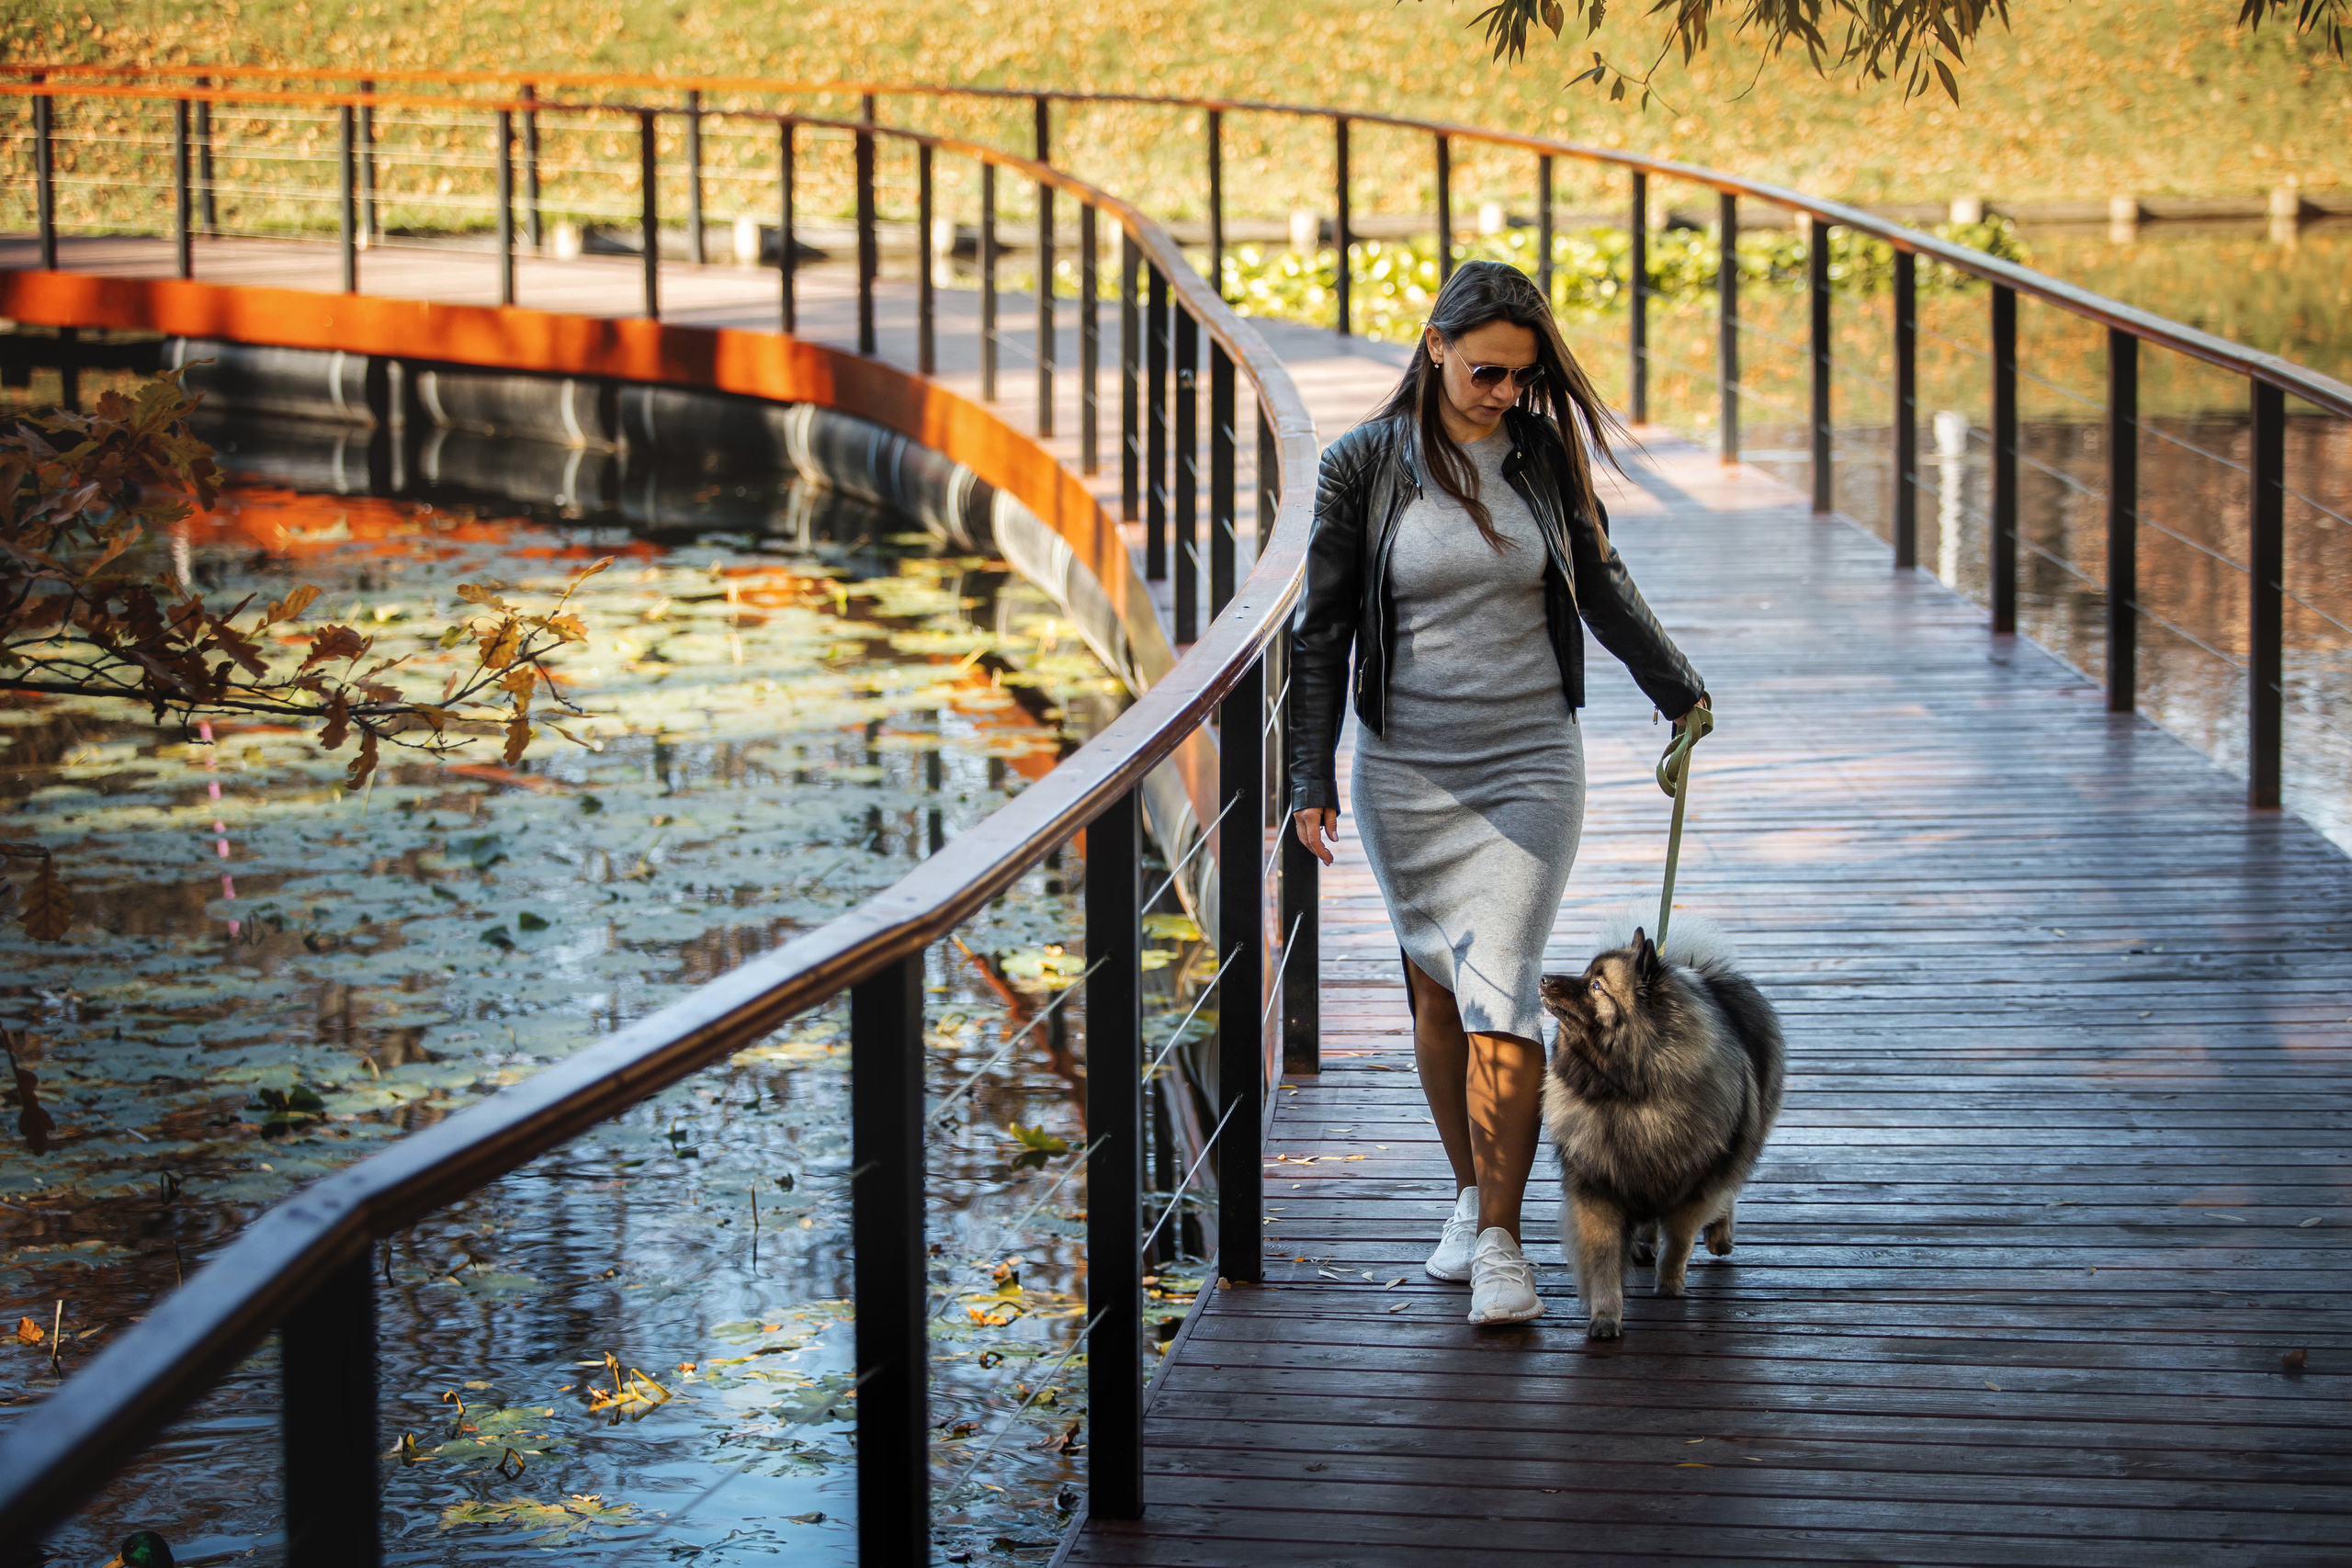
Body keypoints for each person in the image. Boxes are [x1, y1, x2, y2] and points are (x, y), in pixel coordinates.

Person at [1287, 259, 1710, 1325]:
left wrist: (1676, 688)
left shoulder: (1541, 456)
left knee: (1505, 986)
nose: (1504, 395)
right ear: (1433, 347)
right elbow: (1322, 630)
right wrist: (1308, 771)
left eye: (1520, 378)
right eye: (1485, 372)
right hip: (1408, 770)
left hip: (1529, 762)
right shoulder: (1361, 467)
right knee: (1437, 990)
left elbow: (1601, 583)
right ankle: (1472, 1188)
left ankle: (1502, 1245)